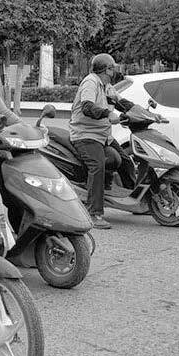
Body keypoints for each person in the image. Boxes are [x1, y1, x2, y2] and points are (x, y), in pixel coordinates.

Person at [69, 53, 136, 229]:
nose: (115, 71)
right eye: (113, 68)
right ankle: (94, 213)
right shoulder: (90, 82)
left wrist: (145, 114)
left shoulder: (106, 85)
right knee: (97, 166)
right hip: (85, 135)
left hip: (103, 135)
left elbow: (122, 103)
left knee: (126, 161)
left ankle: (137, 200)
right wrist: (108, 114)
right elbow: (87, 107)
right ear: (107, 69)